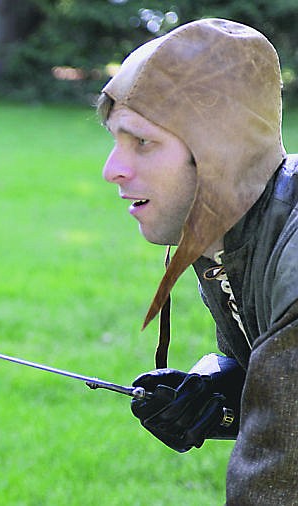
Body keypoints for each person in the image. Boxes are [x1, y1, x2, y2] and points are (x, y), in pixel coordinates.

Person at [98, 17, 298, 504]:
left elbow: (277, 484)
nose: (112, 170)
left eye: (142, 142)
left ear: (217, 156)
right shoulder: (234, 221)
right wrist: (217, 387)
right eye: (115, 140)